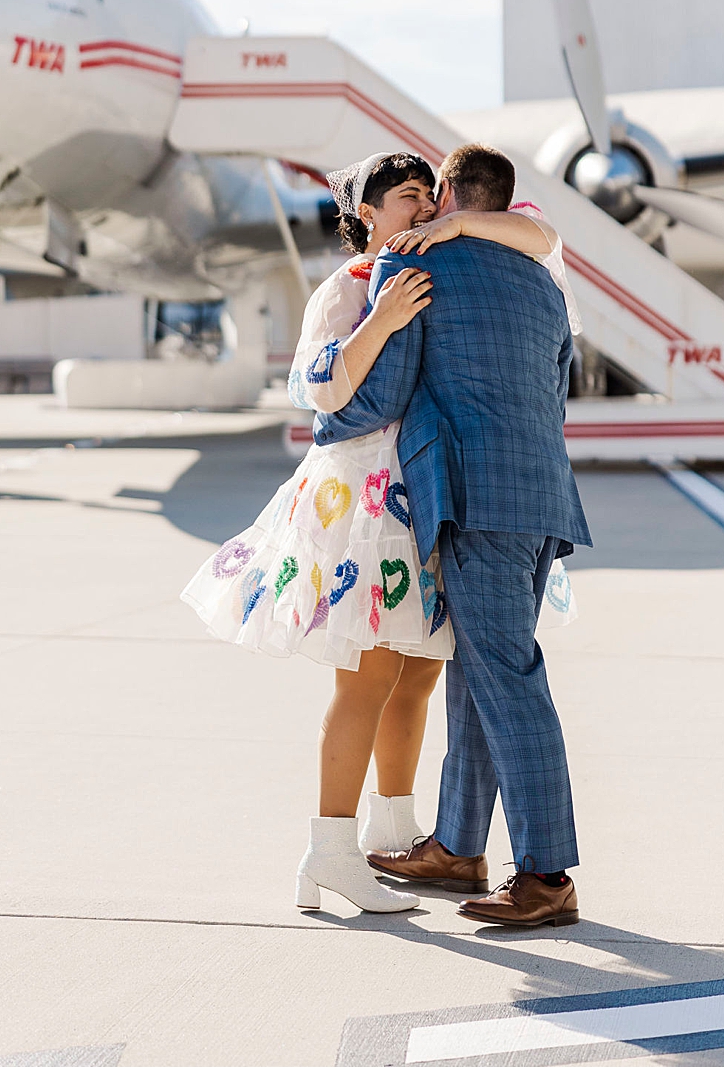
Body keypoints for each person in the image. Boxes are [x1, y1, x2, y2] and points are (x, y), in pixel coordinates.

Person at [180, 150, 565, 915]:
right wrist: (383, 327)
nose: (423, 209)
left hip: (428, 497)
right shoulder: (371, 283)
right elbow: (323, 393)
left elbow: (396, 387)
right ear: (363, 216)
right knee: (380, 675)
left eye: (430, 195)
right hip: (372, 501)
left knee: (429, 671)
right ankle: (340, 849)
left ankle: (415, 832)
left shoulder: (428, 268)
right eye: (408, 197)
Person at [316, 142, 593, 930]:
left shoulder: (420, 274)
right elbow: (554, 388)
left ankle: (546, 875)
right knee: (478, 676)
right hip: (543, 497)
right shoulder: (543, 284)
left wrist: (325, 416)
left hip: (477, 500)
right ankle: (459, 846)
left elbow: (380, 393)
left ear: (444, 196)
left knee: (508, 680)